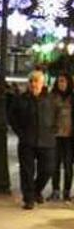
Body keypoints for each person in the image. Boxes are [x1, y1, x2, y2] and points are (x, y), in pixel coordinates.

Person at [9, 70, 60, 210]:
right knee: (26, 171)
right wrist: (20, 132)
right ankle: (29, 199)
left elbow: (58, 114)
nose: (33, 84)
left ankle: (37, 190)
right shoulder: (21, 99)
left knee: (48, 169)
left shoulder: (51, 99)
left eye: (36, 81)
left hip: (47, 140)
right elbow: (12, 117)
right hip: (27, 141)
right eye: (31, 81)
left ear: (42, 83)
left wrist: (54, 129)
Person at [50, 73, 73, 202]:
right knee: (55, 165)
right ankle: (55, 191)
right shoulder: (53, 97)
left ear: (68, 82)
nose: (61, 84)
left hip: (69, 138)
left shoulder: (72, 98)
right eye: (59, 81)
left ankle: (67, 191)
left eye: (64, 81)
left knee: (68, 166)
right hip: (56, 136)